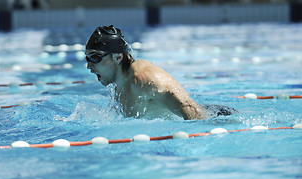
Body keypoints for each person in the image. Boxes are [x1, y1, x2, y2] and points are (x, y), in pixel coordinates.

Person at [85, 25, 238, 120]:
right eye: (87, 58)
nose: (88, 65)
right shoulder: (119, 86)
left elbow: (194, 111)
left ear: (118, 57)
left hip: (220, 118)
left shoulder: (144, 79)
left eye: (95, 57)